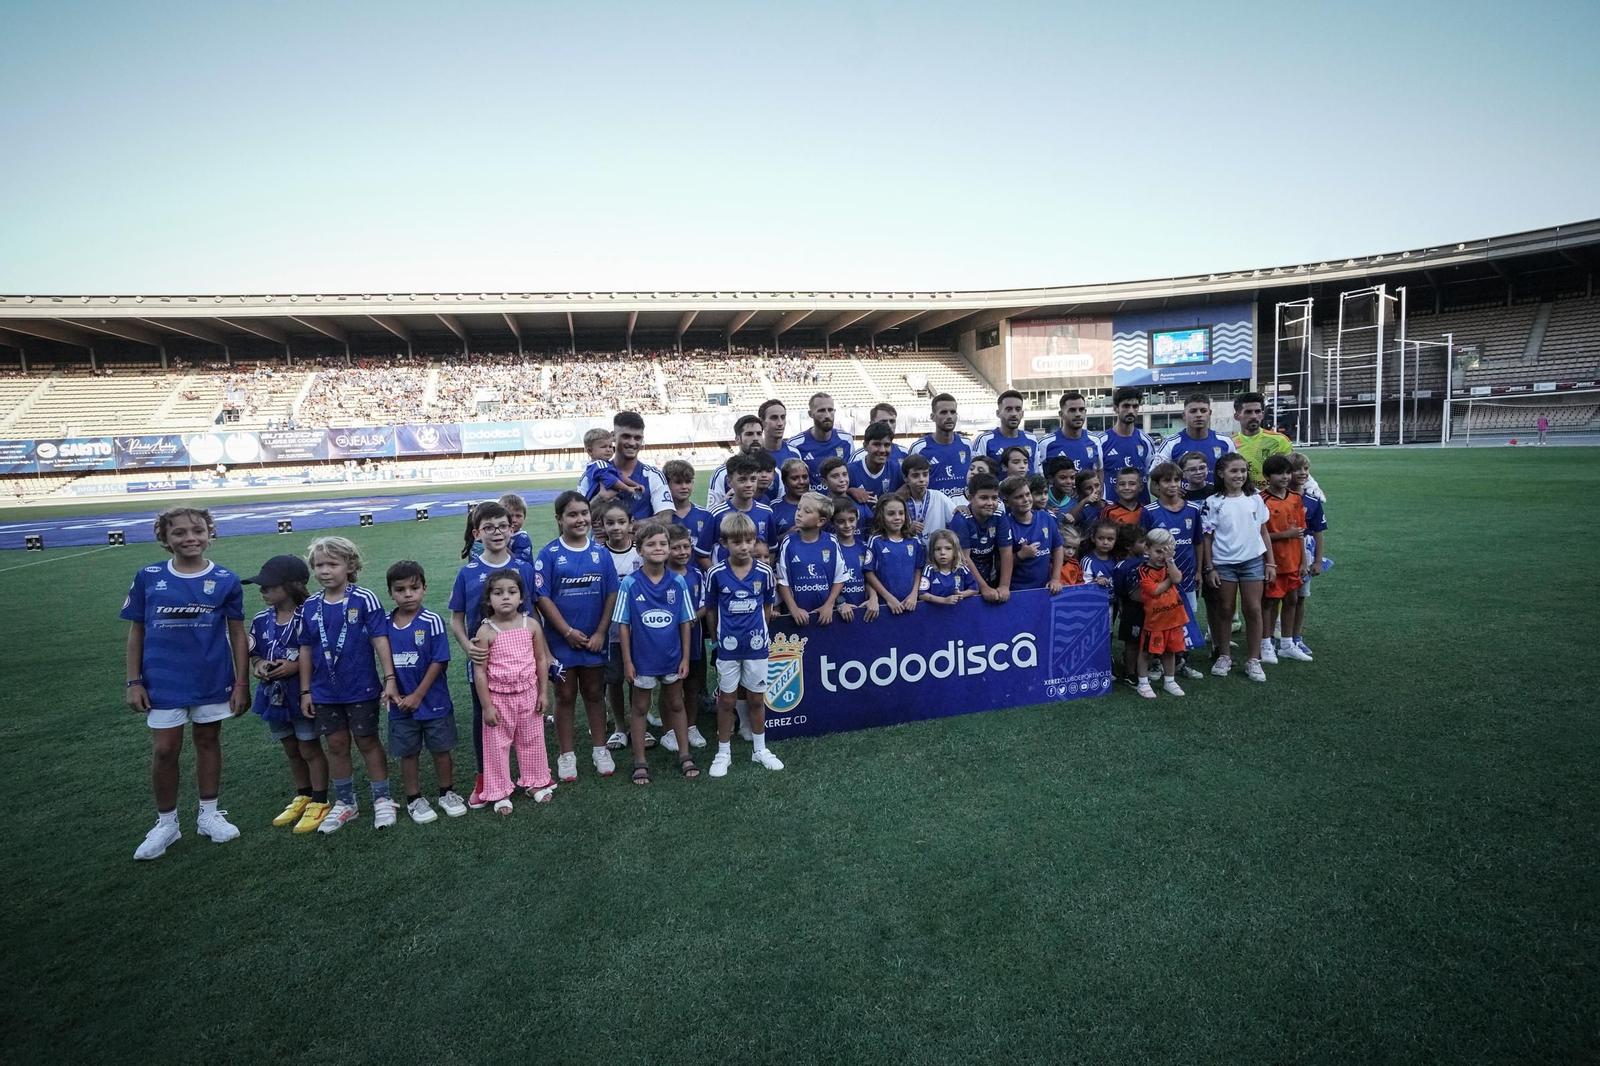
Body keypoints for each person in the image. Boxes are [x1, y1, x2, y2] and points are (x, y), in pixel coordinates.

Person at [123, 507, 249, 860]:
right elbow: (137, 631)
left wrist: (241, 683)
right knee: (165, 749)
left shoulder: (225, 578)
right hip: (162, 680)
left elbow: (237, 634)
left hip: (211, 676)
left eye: (198, 530)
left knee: (208, 740)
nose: (190, 538)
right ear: (165, 539)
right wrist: (134, 680)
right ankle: (167, 823)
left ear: (210, 534)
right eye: (179, 533)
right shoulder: (148, 576)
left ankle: (209, 815)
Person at [297, 536, 400, 834]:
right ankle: (345, 802)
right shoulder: (310, 606)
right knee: (336, 744)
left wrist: (389, 679)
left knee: (367, 740)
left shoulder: (364, 599)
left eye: (332, 564)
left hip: (362, 687)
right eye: (318, 565)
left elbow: (380, 640)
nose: (324, 571)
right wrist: (305, 690)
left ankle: (383, 799)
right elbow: (305, 649)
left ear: (350, 565)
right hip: (324, 691)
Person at [449, 501, 538, 808]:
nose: (497, 533)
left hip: (521, 663)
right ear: (477, 533)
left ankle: (531, 774)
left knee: (526, 720)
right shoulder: (468, 573)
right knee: (485, 719)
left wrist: (544, 656)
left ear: (512, 529)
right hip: (484, 666)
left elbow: (533, 614)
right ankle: (485, 777)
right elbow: (456, 618)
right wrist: (467, 646)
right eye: (489, 528)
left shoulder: (524, 569)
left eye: (502, 526)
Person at [533, 492, 620, 782]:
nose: (580, 519)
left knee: (595, 692)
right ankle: (566, 754)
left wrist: (600, 632)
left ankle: (599, 748)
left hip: (594, 640)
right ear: (559, 519)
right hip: (561, 642)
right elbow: (542, 597)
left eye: (584, 513)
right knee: (565, 695)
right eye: (572, 514)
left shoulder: (601, 553)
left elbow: (611, 593)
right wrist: (567, 632)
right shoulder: (548, 554)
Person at [243, 554, 329, 834]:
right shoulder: (260, 619)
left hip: (302, 693)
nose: (262, 590)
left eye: (268, 586)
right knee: (291, 747)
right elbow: (254, 652)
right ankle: (302, 794)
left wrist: (295, 667)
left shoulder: (312, 615)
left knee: (308, 746)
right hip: (273, 695)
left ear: (291, 585)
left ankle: (320, 799)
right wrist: (259, 667)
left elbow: (324, 652)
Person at [612, 520, 698, 783]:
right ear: (639, 550)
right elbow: (623, 625)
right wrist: (627, 661)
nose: (658, 548)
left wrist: (685, 657)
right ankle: (640, 760)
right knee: (639, 707)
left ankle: (685, 754)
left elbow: (686, 622)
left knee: (675, 704)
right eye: (651, 544)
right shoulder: (630, 583)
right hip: (642, 660)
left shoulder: (678, 582)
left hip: (672, 658)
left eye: (663, 543)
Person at [384, 560, 466, 823]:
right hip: (400, 704)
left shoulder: (432, 621)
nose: (408, 594)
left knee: (441, 749)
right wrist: (392, 691)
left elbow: (439, 661)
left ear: (424, 589)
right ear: (391, 593)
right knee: (408, 753)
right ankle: (414, 799)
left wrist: (418, 695)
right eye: (400, 589)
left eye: (414, 587)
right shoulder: (384, 624)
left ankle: (447, 792)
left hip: (433, 702)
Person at [703, 513, 784, 777]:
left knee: (756, 699)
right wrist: (715, 636)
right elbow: (712, 608)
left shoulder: (763, 571)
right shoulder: (716, 574)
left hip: (757, 646)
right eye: (737, 541)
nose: (745, 546)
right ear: (724, 543)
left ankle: (760, 750)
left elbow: (768, 605)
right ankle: (723, 752)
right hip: (728, 647)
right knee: (726, 700)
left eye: (749, 540)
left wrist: (761, 632)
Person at [471, 570, 557, 815]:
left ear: (521, 597)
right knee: (497, 746)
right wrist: (487, 706)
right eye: (498, 593)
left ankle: (534, 781)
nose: (505, 598)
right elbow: (480, 673)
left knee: (532, 741)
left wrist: (543, 693)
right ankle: (500, 792)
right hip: (499, 699)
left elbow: (540, 659)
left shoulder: (530, 625)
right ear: (488, 600)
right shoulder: (485, 632)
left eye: (512, 592)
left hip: (529, 695)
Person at [1201, 453, 1273, 683]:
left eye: (1243, 470)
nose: (1240, 475)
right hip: (1224, 564)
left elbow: (1264, 532)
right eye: (1234, 471)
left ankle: (1254, 659)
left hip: (1252, 562)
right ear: (1221, 473)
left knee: (1253, 609)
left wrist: (1269, 562)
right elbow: (1207, 538)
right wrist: (1210, 567)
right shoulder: (1212, 502)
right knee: (1225, 610)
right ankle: (1224, 655)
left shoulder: (1255, 499)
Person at [1139, 462, 1206, 680]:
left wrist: (1198, 571)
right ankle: (1157, 662)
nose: (1173, 485)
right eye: (1167, 481)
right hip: (1160, 581)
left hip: (1185, 577)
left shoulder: (1193, 510)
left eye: (1176, 480)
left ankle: (1180, 662)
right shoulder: (1149, 512)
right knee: (1160, 621)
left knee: (1183, 621)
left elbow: (1198, 542)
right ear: (1156, 485)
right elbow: (1143, 546)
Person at [598, 498, 642, 751]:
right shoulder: (599, 555)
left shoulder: (641, 550)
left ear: (631, 524)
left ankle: (639, 725)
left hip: (640, 631)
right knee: (613, 679)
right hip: (612, 632)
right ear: (602, 526)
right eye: (610, 523)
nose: (616, 527)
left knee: (638, 680)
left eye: (621, 522)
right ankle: (619, 727)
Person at [1259, 454, 1311, 664]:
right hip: (1272, 562)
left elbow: (1299, 532)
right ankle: (1266, 643)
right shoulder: (1262, 501)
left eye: (1287, 472)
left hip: (1293, 561)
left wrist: (1303, 561)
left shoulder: (1296, 498)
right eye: (1279, 473)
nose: (1285, 477)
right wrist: (1283, 535)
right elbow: (1258, 536)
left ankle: (1287, 644)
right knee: (1270, 602)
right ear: (1267, 476)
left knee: (1291, 600)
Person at [663, 523, 710, 750]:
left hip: (693, 639)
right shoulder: (660, 575)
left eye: (686, 547)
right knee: (669, 686)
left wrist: (690, 618)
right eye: (676, 548)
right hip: (667, 643)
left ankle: (691, 726)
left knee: (692, 686)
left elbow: (704, 605)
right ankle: (669, 730)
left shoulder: (696, 575)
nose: (683, 552)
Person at [581, 411, 672, 521]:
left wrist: (628, 528)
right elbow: (578, 517)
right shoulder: (591, 475)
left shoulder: (653, 475)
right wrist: (600, 498)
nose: (632, 443)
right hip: (602, 539)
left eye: (637, 438)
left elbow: (666, 518)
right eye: (626, 436)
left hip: (639, 538)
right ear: (613, 436)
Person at [1135, 528, 1190, 699]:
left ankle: (1169, 680)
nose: (1161, 556)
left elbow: (1178, 578)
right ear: (1147, 550)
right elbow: (1155, 590)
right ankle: (1143, 683)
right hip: (1154, 621)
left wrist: (1171, 561)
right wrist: (1169, 580)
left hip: (1174, 618)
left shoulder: (1168, 565)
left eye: (1165, 552)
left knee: (1170, 651)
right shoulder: (1144, 570)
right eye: (1158, 551)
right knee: (1146, 652)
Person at [698, 453, 777, 569]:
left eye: (753, 479)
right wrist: (718, 576)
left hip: (757, 583)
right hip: (727, 585)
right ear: (729, 482)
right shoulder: (717, 514)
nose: (749, 485)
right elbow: (702, 554)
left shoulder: (766, 512)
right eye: (742, 480)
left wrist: (765, 574)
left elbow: (771, 550)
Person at [948, 472, 1013, 603]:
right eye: (984, 498)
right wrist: (983, 587)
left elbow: (1006, 552)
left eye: (994, 498)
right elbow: (964, 558)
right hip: (964, 583)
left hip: (990, 576)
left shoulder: (999, 516)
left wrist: (1004, 586)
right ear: (970, 498)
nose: (990, 503)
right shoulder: (961, 520)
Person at [1287, 452, 1327, 660]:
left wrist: (1318, 560)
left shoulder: (1312, 500)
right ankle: (1275, 638)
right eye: (1297, 469)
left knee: (1300, 597)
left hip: (1306, 553)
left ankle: (1296, 637)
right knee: (1281, 598)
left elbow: (1319, 531)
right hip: (1282, 552)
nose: (1302, 473)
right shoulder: (1277, 497)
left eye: (1305, 469)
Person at [1000, 475, 1063, 593]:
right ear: (1006, 502)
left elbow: (1058, 548)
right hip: (1018, 591)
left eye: (1028, 494)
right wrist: (1020, 555)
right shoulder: (1005, 526)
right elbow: (999, 566)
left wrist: (1055, 578)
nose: (1026, 499)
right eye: (1019, 497)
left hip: (1044, 589)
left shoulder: (1046, 518)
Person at [908, 393, 972, 505]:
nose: (949, 416)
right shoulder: (919, 448)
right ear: (933, 417)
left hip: (963, 512)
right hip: (934, 511)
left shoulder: (967, 444)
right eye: (943, 412)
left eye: (953, 412)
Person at [865, 494, 924, 613]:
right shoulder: (876, 541)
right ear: (882, 516)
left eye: (901, 513)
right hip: (885, 606)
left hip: (911, 604)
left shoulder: (914, 541)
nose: (897, 518)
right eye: (891, 514)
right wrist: (888, 598)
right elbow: (869, 573)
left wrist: (914, 594)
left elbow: (918, 569)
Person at [1096, 386, 1156, 504]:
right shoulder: (1101, 441)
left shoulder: (1146, 441)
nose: (1131, 411)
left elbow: (1150, 474)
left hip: (1141, 509)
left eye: (1135, 406)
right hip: (1110, 511)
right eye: (1126, 406)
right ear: (1116, 408)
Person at [1154, 394, 1233, 483]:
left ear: (1210, 413)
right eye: (1193, 411)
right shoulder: (1170, 443)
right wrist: (1174, 495)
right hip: (1184, 497)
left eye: (1203, 411)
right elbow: (1155, 482)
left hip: (1217, 496)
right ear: (1184, 415)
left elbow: (1236, 473)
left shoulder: (1225, 441)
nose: (1199, 415)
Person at [828, 495, 878, 622]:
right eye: (841, 521)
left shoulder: (864, 547)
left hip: (862, 609)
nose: (847, 525)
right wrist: (840, 602)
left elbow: (868, 577)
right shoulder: (829, 548)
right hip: (836, 613)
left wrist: (873, 598)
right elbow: (824, 582)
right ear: (832, 523)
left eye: (851, 520)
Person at [1230, 392, 1293, 488]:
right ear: (1237, 416)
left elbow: (1293, 470)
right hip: (1243, 499)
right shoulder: (1229, 443)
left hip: (1272, 500)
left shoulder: (1280, 440)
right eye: (1248, 412)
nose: (1254, 416)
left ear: (1262, 415)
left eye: (1257, 411)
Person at [788, 392, 852, 482]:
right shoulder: (795, 444)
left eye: (830, 410)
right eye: (821, 411)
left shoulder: (846, 440)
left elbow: (851, 474)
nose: (827, 415)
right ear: (810, 414)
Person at [1036, 391, 1102, 478]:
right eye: (1072, 410)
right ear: (1061, 414)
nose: (1078, 414)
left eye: (1081, 410)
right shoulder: (1045, 443)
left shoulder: (1095, 440)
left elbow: (1099, 470)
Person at [1113, 523, 1148, 684]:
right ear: (1128, 545)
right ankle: (1129, 672)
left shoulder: (1149, 561)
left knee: (1146, 639)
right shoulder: (1121, 567)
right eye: (1142, 542)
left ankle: (1145, 668)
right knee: (1132, 642)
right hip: (1132, 609)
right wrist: (1121, 607)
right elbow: (1119, 590)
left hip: (1149, 608)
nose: (1145, 545)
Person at [706, 415, 764, 509]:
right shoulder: (721, 473)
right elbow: (711, 512)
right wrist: (725, 502)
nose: (756, 438)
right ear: (737, 439)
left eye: (759, 433)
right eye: (749, 434)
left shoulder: (773, 472)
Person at [974, 390, 1038, 469]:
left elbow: (1037, 472)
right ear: (998, 413)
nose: (1014, 414)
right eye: (1008, 409)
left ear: (1022, 414)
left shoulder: (1032, 439)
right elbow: (977, 474)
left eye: (1018, 409)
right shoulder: (985, 440)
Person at [757, 398, 803, 503]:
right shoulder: (754, 454)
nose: (780, 423)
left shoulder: (794, 453)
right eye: (774, 418)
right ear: (762, 422)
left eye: (783, 417)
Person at [577, 427, 646, 497]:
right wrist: (628, 488)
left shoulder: (606, 464)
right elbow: (611, 480)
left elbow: (619, 475)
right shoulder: (599, 465)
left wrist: (635, 484)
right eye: (604, 447)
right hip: (595, 504)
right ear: (590, 451)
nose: (608, 450)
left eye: (610, 446)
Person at [847, 420, 904, 503]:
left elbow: (912, 486)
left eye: (887, 445)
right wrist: (849, 491)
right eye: (877, 444)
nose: (882, 450)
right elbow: (834, 494)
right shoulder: (850, 471)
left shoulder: (897, 470)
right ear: (865, 446)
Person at [899, 453, 955, 537]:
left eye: (925, 474)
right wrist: (908, 531)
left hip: (936, 549)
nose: (922, 480)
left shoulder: (939, 497)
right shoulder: (899, 502)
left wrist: (959, 510)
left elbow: (957, 521)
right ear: (905, 478)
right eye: (915, 476)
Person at [919, 529, 978, 605]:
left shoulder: (961, 569)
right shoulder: (929, 569)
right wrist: (943, 600)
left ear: (955, 551)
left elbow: (975, 589)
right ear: (932, 552)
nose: (942, 553)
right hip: (934, 614)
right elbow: (922, 594)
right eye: (938, 549)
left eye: (948, 548)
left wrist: (961, 594)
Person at [663, 458, 712, 546]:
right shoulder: (659, 517)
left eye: (688, 482)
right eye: (678, 482)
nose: (684, 486)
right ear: (666, 484)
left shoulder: (705, 515)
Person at [820, 455, 873, 528]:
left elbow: (871, 528)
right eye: (835, 476)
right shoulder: (822, 508)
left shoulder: (859, 503)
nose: (842, 480)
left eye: (844, 474)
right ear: (824, 482)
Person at [771, 458, 811, 540]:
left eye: (805, 477)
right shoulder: (774, 507)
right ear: (784, 481)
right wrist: (788, 535)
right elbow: (768, 545)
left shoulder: (821, 503)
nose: (801, 482)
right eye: (795, 478)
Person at [1081, 517, 1118, 589]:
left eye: (1110, 539)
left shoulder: (1116, 558)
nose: (1105, 542)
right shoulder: (1087, 561)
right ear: (1093, 538)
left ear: (1115, 540)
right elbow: (1084, 587)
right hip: (1096, 599)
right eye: (1101, 538)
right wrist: (1096, 581)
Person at [501, 493, 535, 562]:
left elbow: (520, 563)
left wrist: (501, 547)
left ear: (524, 517)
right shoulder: (498, 534)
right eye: (510, 516)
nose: (514, 520)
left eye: (518, 516)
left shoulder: (522, 538)